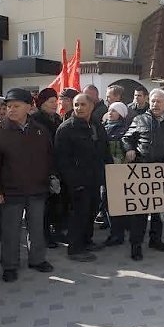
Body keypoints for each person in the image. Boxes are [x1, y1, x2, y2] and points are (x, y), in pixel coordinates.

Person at [0, 88, 54, 282]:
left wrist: (49, 180)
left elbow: (48, 158)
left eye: (16, 106)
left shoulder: (40, 130)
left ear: (29, 108)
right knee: (11, 230)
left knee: (37, 227)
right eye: (8, 106)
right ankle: (10, 265)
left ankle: (37, 260)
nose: (10, 110)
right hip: (10, 191)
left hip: (37, 188)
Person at [122, 88, 164, 260]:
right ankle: (136, 245)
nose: (155, 104)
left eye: (159, 101)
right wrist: (129, 149)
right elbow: (126, 138)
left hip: (163, 172)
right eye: (153, 101)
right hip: (142, 170)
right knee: (140, 212)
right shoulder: (139, 119)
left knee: (159, 208)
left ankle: (156, 240)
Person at [55, 93, 112, 262]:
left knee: (91, 212)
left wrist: (108, 172)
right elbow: (62, 160)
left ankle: (87, 241)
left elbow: (104, 149)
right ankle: (75, 249)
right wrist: (74, 182)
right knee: (78, 215)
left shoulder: (96, 125)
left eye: (83, 105)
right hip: (77, 182)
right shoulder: (66, 129)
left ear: (91, 106)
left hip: (95, 179)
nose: (79, 108)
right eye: (76, 105)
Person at [31, 88, 64, 249]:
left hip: (56, 165)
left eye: (55, 101)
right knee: (43, 206)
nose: (55, 104)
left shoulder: (57, 118)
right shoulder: (35, 119)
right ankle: (44, 235)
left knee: (55, 203)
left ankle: (55, 231)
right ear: (41, 103)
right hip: (41, 166)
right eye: (51, 101)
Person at [102, 102, 131, 247]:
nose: (110, 113)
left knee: (118, 203)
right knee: (106, 202)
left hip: (119, 172)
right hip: (104, 171)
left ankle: (117, 234)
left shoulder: (126, 130)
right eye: (109, 110)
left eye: (114, 111)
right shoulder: (102, 128)